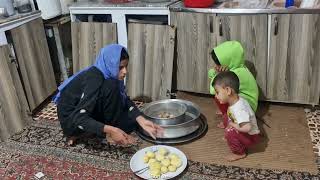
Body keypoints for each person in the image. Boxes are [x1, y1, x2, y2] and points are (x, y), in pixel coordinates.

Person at [54, 44, 163, 146]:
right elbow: (79, 118)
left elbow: (124, 99)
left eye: (126, 66)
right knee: (114, 94)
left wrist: (141, 119)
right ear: (110, 64)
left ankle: (103, 129)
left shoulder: (106, 73)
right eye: (120, 67)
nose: (125, 71)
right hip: (71, 121)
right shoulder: (95, 79)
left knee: (130, 119)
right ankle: (78, 134)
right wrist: (111, 130)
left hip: (81, 112)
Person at [208, 41, 259, 129]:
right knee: (223, 94)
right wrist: (217, 72)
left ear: (227, 61)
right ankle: (226, 112)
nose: (216, 65)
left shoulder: (235, 74)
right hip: (247, 103)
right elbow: (210, 73)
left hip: (246, 109)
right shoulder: (239, 67)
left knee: (219, 95)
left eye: (218, 63)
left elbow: (213, 90)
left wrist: (218, 75)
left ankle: (227, 119)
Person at [213, 71, 260, 161]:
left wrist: (233, 126)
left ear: (228, 91)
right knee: (227, 116)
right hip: (243, 129)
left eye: (217, 92)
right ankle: (233, 135)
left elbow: (247, 128)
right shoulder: (235, 100)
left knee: (230, 132)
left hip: (250, 136)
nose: (216, 96)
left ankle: (240, 153)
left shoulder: (239, 109)